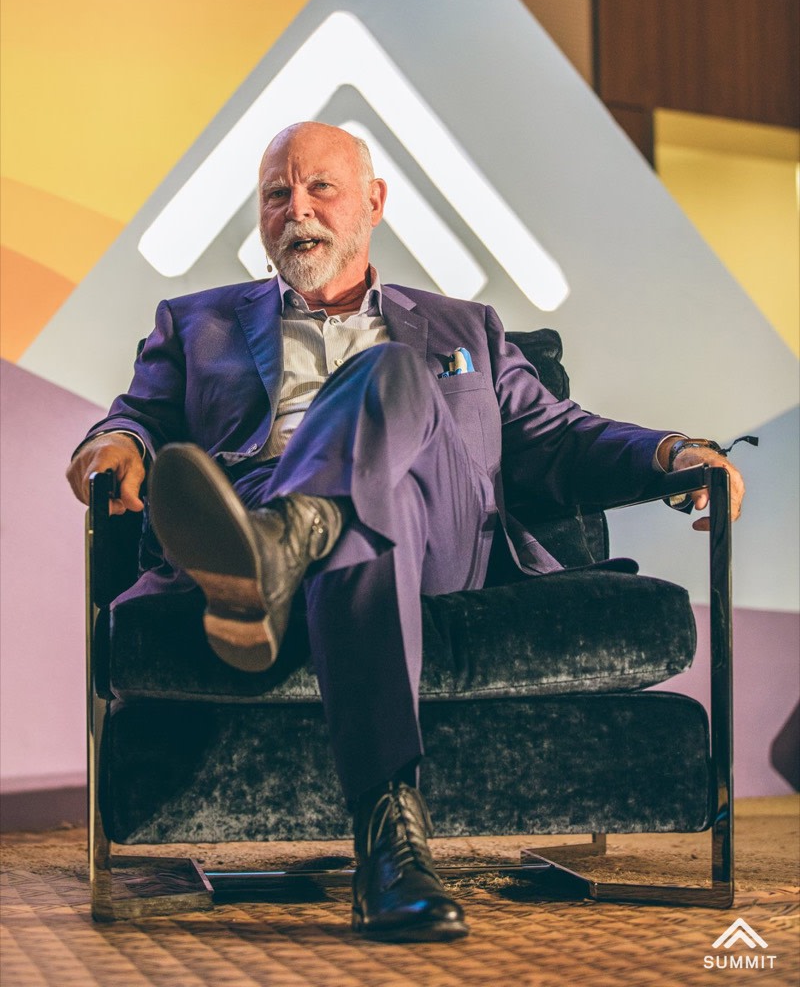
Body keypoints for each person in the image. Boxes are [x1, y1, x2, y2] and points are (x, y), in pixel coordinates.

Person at [67, 121, 745, 943]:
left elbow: (560, 438)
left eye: (320, 187)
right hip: (272, 511)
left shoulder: (464, 328)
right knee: (360, 534)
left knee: (388, 370)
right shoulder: (195, 323)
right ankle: (391, 849)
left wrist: (672, 453)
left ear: (374, 202)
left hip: (439, 530)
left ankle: (286, 541)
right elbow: (136, 418)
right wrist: (113, 443)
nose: (296, 209)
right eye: (276, 194)